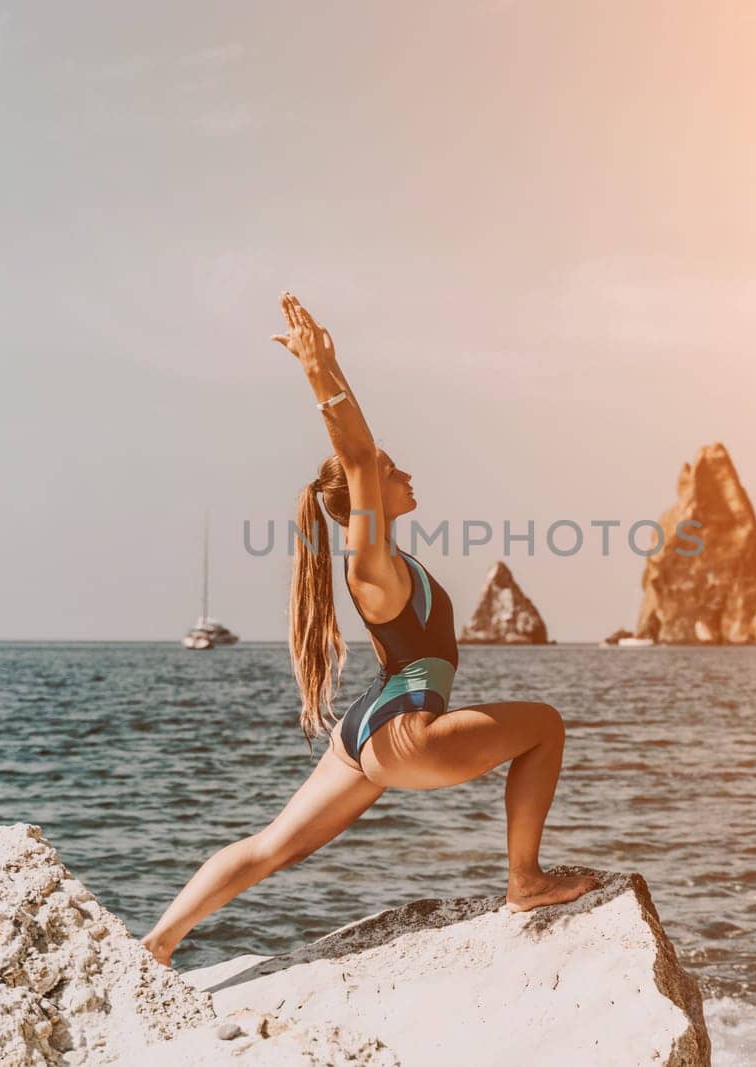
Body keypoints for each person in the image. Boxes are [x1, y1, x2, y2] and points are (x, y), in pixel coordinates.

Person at [139, 292, 598, 966]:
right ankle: (525, 881)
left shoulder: (389, 562)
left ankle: (157, 941)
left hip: (366, 728)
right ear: (366, 497)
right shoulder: (371, 562)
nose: (405, 472)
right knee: (546, 725)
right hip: (405, 729)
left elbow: (363, 459)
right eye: (391, 471)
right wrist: (321, 370)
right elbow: (357, 451)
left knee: (273, 843)